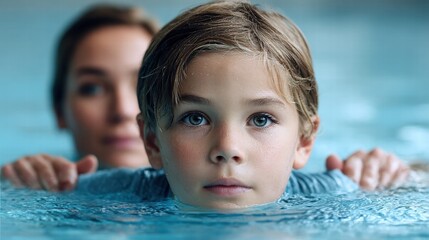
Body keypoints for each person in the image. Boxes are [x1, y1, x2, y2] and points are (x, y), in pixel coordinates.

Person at [0, 3, 409, 193]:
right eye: (194, 117)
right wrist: (16, 182)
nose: (124, 109)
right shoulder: (67, 192)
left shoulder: (325, 188)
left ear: (305, 139)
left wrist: (396, 171)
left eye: (261, 119)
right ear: (153, 137)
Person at [1, 4, 159, 191]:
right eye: (92, 89)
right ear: (59, 111)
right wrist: (10, 184)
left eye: (143, 85)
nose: (122, 111)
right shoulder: (29, 188)